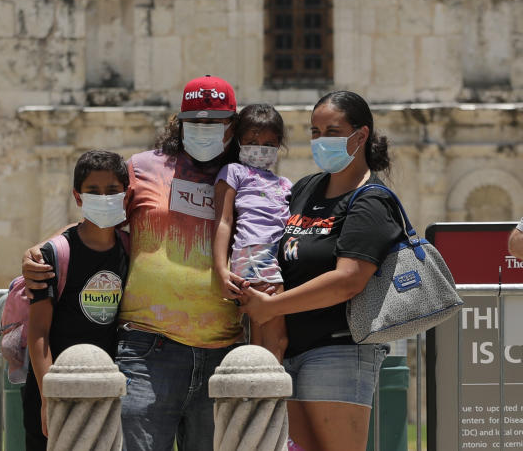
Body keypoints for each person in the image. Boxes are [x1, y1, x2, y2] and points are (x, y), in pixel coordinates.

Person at [23, 75, 243, 451]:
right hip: (148, 349)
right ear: (180, 123)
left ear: (232, 127)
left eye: (215, 123)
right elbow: (101, 214)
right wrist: (41, 249)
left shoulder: (246, 177)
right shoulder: (143, 168)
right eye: (195, 122)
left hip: (223, 350)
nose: (204, 131)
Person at [239, 91, 403, 451]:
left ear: (360, 136)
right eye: (314, 131)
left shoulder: (370, 199)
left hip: (338, 351)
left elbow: (348, 280)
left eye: (332, 131)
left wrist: (271, 308)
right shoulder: (304, 189)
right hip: (288, 349)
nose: (320, 140)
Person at [23, 149, 130, 450]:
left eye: (112, 190)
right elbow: (39, 333)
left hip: (105, 387)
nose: (104, 197)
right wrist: (48, 397)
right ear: (77, 196)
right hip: (53, 388)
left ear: (125, 193)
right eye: (93, 191)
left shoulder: (130, 251)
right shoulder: (52, 256)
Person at [213, 103, 292, 361]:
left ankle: (258, 394)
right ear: (239, 142)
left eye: (269, 143)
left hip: (275, 256)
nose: (261, 149)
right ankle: (270, 394)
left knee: (261, 332)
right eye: (252, 141)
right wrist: (221, 270)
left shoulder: (284, 184)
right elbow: (224, 221)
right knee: (275, 338)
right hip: (255, 254)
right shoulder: (234, 171)